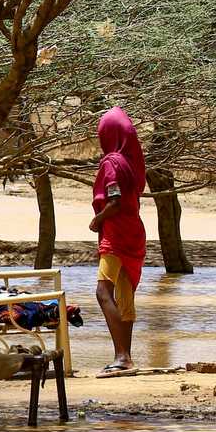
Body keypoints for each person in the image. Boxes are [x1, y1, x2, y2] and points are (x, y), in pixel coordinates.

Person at [89, 107, 147, 375]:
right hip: (135, 233)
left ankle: (122, 356)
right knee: (125, 295)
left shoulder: (111, 162)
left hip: (116, 233)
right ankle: (127, 359)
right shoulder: (133, 164)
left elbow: (114, 201)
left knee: (103, 293)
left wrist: (98, 220)